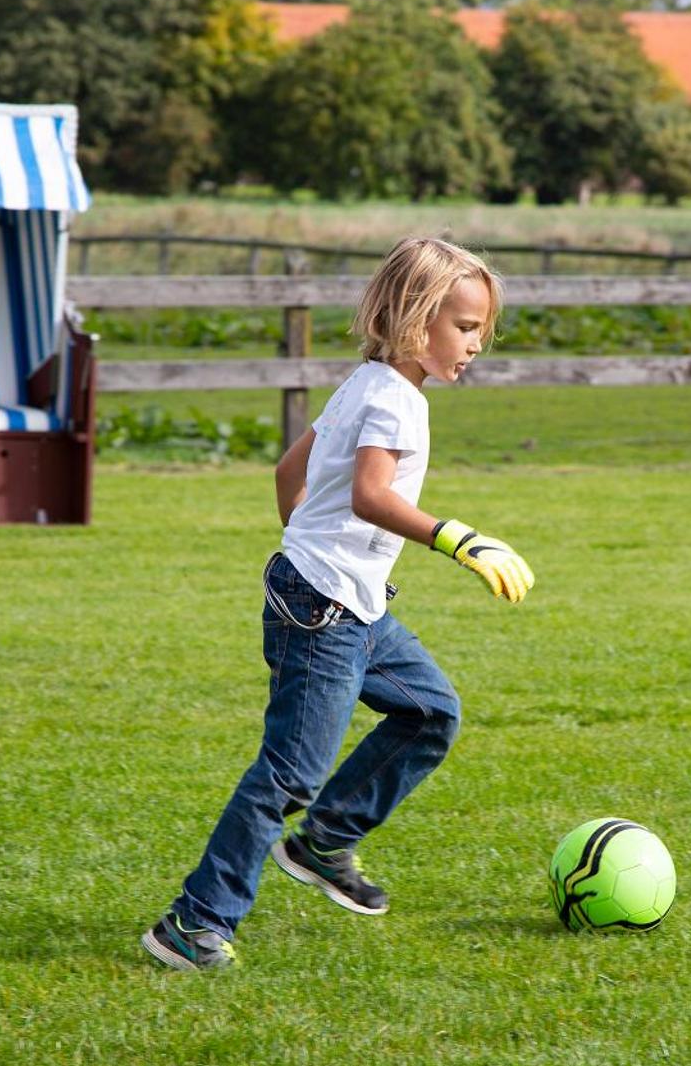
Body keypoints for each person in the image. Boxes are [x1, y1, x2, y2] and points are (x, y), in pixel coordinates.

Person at [143, 236, 533, 971]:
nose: (479, 343)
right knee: (287, 774)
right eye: (468, 326)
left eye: (481, 327)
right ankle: (192, 924)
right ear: (419, 323)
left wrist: (303, 532)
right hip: (323, 612)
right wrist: (458, 539)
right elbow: (371, 495)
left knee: (429, 711)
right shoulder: (394, 400)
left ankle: (324, 842)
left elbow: (291, 466)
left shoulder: (367, 382)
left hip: (347, 603)